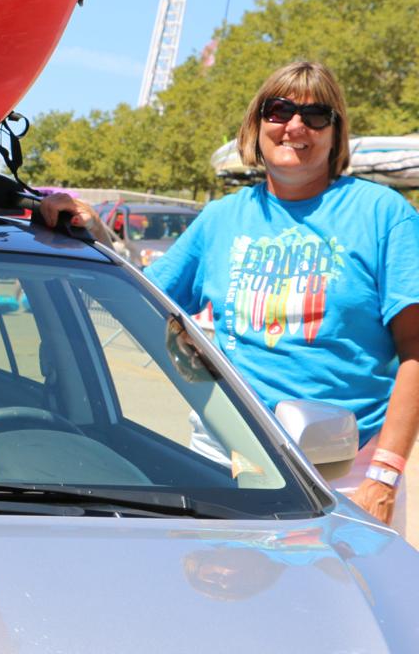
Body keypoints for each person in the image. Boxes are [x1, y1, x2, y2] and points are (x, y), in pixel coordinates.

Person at [41, 61, 419, 531]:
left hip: (346, 473)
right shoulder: (222, 218)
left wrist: (384, 476)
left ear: (335, 132)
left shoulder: (384, 214)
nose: (295, 126)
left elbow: (415, 352)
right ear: (256, 125)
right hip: (227, 459)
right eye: (278, 110)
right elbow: (142, 298)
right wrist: (91, 230)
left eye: (316, 115)